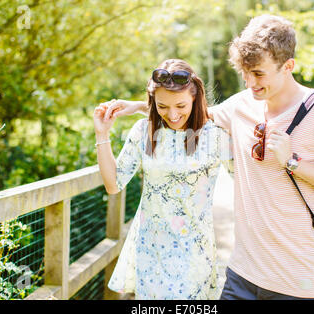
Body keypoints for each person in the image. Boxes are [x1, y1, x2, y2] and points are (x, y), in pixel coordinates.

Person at [102, 15, 314, 300]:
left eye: (259, 74)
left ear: (288, 66)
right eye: (245, 73)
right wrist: (140, 107)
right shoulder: (241, 105)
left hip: (300, 280)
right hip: (243, 275)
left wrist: (293, 162)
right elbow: (184, 113)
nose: (250, 83)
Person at [93, 59, 233, 299]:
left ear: (195, 97)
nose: (173, 114)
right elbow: (113, 184)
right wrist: (102, 133)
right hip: (150, 249)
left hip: (194, 252)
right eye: (162, 106)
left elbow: (247, 179)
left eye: (181, 105)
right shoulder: (143, 131)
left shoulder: (215, 135)